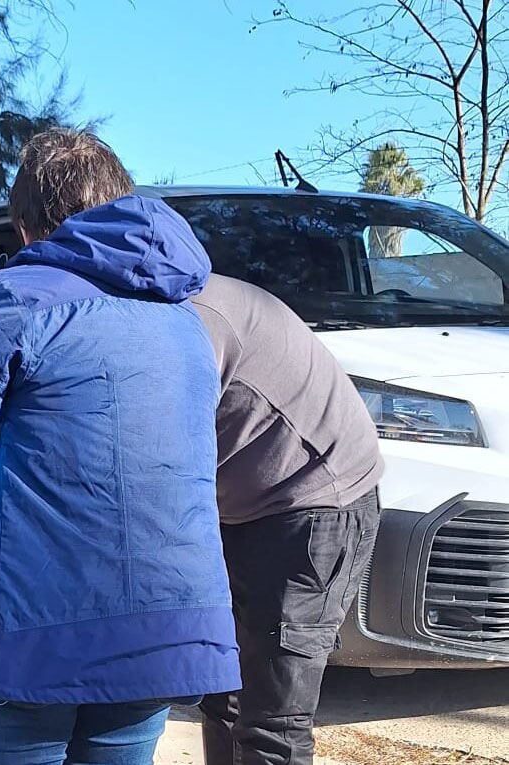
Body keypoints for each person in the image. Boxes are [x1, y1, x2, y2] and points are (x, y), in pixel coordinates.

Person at [0, 128, 241, 765]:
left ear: (26, 227)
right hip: (161, 631)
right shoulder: (186, 321)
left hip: (24, 633)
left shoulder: (13, 299)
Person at [192, 274, 383, 765]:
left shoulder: (195, 319)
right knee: (223, 697)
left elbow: (168, 450)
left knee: (273, 722)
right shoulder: (160, 303)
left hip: (315, 507)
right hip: (242, 506)